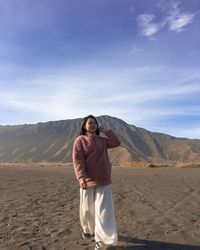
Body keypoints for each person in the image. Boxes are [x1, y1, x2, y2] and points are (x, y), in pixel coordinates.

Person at [72, 115, 121, 249]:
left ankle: (104, 240)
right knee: (87, 210)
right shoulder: (80, 140)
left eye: (95, 123)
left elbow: (117, 142)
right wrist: (81, 177)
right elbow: (78, 160)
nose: (93, 125)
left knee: (103, 211)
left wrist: (106, 131)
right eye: (90, 123)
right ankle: (88, 230)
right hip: (87, 180)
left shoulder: (102, 140)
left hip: (104, 179)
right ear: (84, 126)